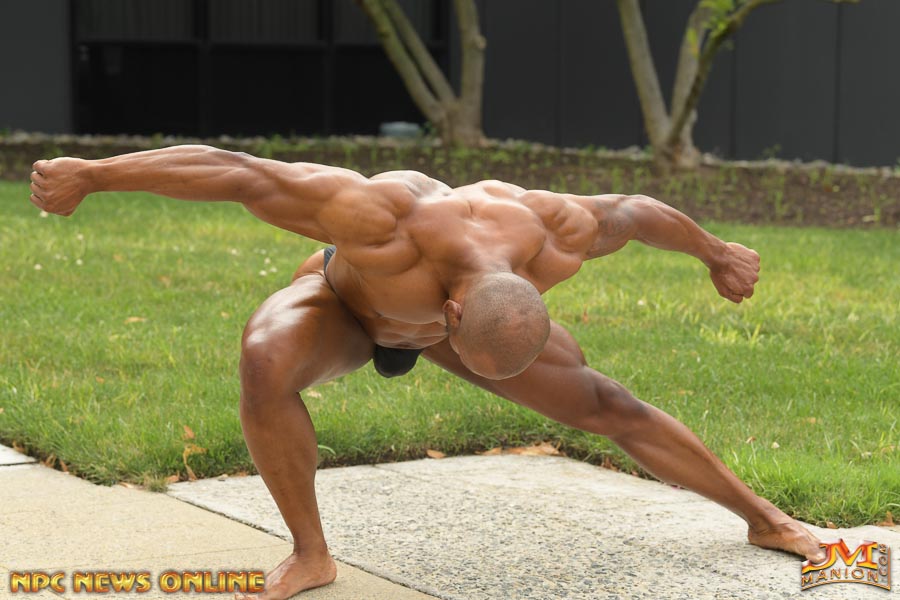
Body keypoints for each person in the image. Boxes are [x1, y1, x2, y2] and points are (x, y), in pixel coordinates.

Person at [29, 145, 825, 600]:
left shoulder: (558, 233)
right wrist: (93, 174)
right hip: (350, 308)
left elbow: (637, 211)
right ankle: (311, 552)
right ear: (450, 312)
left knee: (607, 402)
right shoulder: (376, 218)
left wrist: (716, 252)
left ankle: (765, 519)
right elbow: (237, 171)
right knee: (266, 358)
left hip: (459, 324)